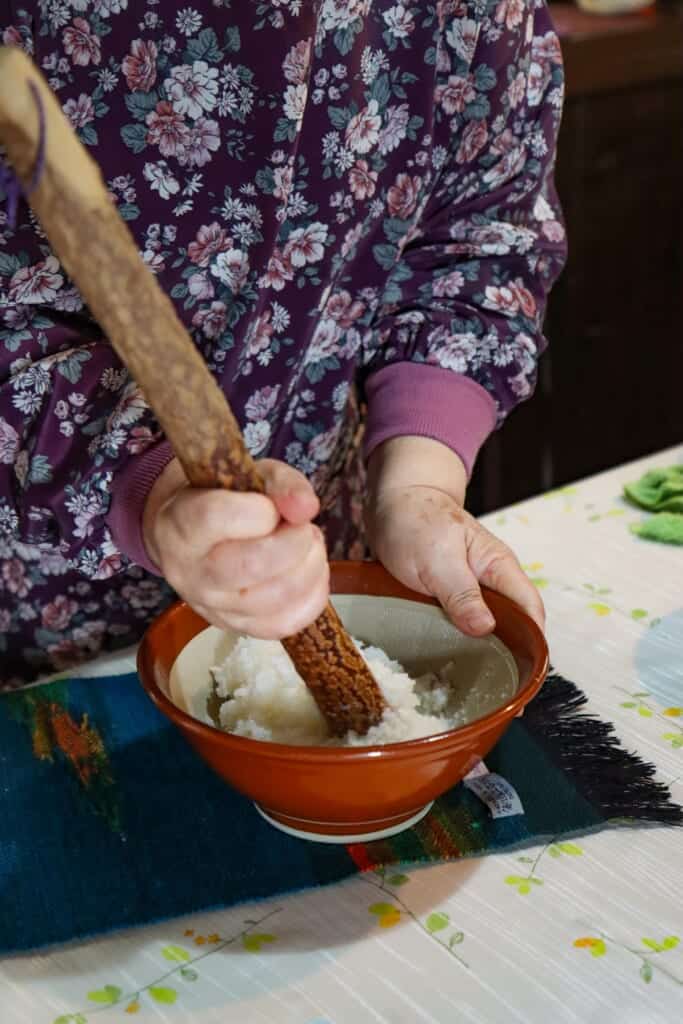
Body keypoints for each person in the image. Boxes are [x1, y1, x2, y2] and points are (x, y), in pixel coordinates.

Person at [0, 1, 566, 688]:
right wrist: (145, 488)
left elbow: (479, 243)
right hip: (35, 613)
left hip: (326, 539)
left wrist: (417, 484)